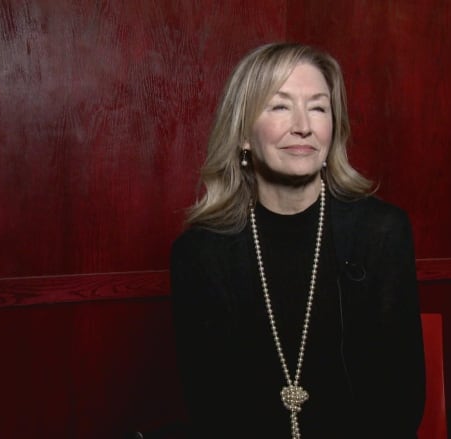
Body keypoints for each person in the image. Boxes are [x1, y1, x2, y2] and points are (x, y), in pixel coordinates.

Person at [170, 42, 425, 438]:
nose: (303, 125)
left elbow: (399, 401)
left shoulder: (382, 233)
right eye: (280, 106)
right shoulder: (199, 253)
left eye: (319, 107)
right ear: (244, 135)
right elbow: (210, 409)